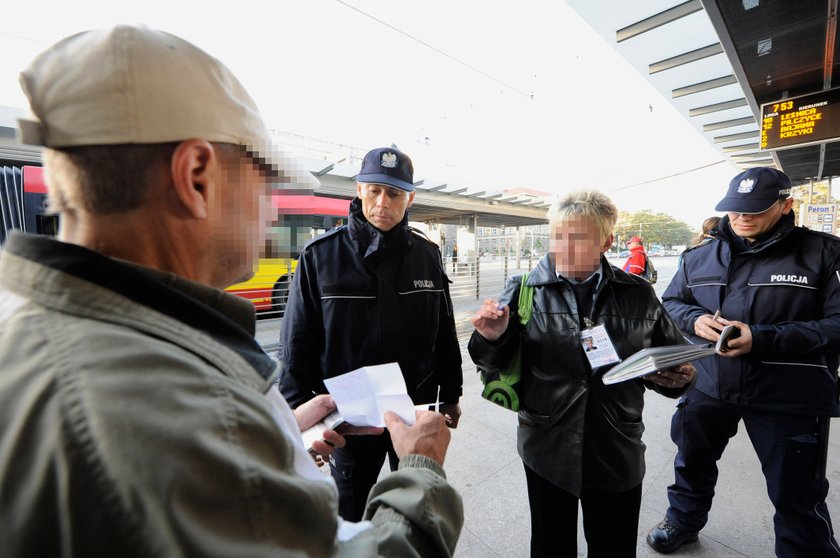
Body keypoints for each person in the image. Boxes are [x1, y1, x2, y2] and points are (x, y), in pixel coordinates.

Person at [0, 25, 463, 557]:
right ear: (196, 176)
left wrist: (272, 438)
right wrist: (424, 474)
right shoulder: (189, 403)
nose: (270, 213)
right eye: (262, 182)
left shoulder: (40, 334)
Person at [468, 190, 695, 558]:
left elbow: (673, 358)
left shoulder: (637, 293)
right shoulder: (525, 289)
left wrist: (681, 378)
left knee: (614, 546)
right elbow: (490, 363)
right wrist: (491, 338)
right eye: (559, 236)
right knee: (550, 544)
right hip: (547, 440)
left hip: (616, 442)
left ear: (606, 241)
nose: (564, 247)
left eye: (579, 238)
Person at [646, 167, 840, 557]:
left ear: (787, 205)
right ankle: (683, 520)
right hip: (708, 384)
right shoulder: (698, 256)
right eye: (735, 209)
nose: (742, 217)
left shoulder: (826, 254)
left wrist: (762, 338)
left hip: (788, 395)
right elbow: (672, 302)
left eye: (754, 209)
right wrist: (695, 319)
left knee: (796, 489)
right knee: (691, 461)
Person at [278, 146, 463, 521]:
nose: (383, 202)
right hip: (350, 417)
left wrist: (451, 394)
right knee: (350, 513)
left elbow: (444, 329)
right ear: (359, 190)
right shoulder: (319, 257)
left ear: (409, 198)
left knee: (416, 507)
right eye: (374, 190)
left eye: (394, 193)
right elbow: (296, 345)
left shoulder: (428, 255)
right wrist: (303, 415)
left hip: (414, 411)